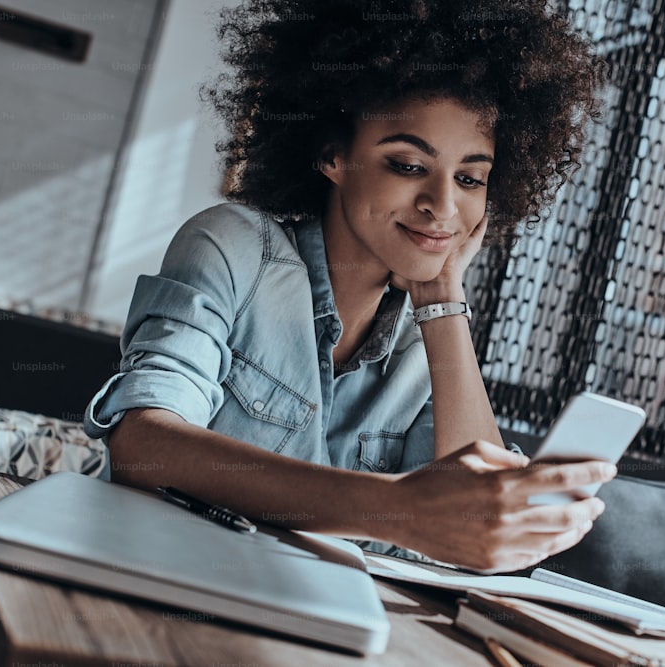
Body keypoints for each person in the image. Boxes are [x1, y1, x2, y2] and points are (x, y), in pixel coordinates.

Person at [84, 0, 613, 573]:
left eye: (469, 178)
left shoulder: (426, 338)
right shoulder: (231, 249)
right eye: (408, 165)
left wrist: (442, 299)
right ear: (334, 154)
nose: (442, 204)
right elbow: (143, 443)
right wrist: (393, 510)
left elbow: (483, 540)